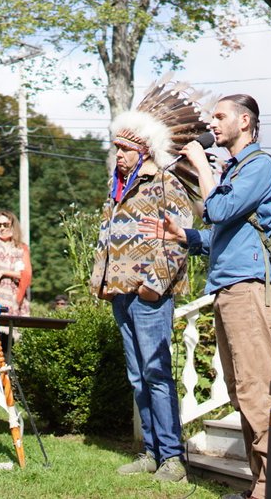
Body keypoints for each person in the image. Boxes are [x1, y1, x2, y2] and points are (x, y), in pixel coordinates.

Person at [142, 94, 271, 499]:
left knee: (256, 387)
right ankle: (260, 482)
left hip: (249, 287)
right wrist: (182, 236)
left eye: (220, 117)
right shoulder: (237, 170)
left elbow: (218, 210)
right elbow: (220, 234)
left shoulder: (259, 166)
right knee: (241, 389)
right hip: (228, 286)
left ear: (246, 121)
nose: (213, 124)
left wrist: (202, 166)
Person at [89, 109, 194, 484]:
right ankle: (151, 452)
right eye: (115, 148)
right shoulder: (116, 187)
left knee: (157, 373)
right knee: (138, 377)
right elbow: (107, 238)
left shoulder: (164, 182)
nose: (118, 155)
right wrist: (100, 281)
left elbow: (180, 237)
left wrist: (155, 283)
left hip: (149, 294)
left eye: (124, 149)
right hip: (120, 292)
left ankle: (173, 458)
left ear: (143, 150)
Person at [0, 210, 33, 354]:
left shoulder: (21, 248)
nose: (2, 228)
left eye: (5, 224)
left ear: (12, 225)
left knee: (11, 341)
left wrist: (3, 272)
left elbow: (26, 275)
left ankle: (9, 372)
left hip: (15, 299)